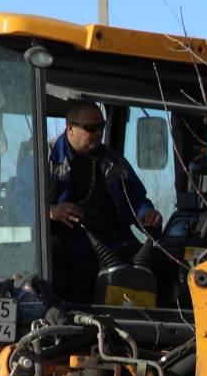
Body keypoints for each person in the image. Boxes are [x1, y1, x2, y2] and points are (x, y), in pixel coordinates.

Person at [45, 101, 163, 302]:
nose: (98, 133)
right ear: (70, 128)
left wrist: (147, 214)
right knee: (52, 254)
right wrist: (51, 211)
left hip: (112, 241)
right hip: (66, 239)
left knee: (162, 262)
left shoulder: (114, 161)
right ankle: (56, 309)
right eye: (91, 128)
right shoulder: (44, 157)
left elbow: (136, 199)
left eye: (102, 127)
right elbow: (22, 201)